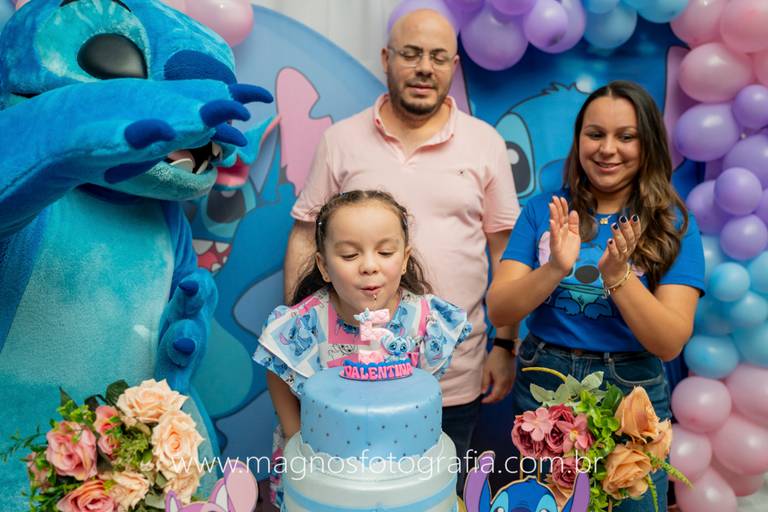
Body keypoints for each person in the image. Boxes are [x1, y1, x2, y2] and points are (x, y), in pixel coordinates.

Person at [283, 9, 520, 489]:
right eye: (411, 54)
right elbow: (307, 235)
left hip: (454, 374)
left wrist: (505, 344)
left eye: (438, 57)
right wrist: (300, 332)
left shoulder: (485, 143)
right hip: (346, 374)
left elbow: (505, 253)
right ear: (386, 58)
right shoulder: (340, 140)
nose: (424, 68)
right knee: (348, 494)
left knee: (436, 494)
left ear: (453, 65)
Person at [486, 80, 705, 511]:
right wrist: (554, 268)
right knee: (551, 503)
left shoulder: (671, 223)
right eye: (595, 134)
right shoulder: (545, 210)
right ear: (579, 139)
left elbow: (669, 341)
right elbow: (500, 308)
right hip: (546, 383)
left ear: (648, 144)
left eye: (626, 137)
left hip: (632, 393)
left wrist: (619, 277)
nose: (607, 149)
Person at [255, 190, 471, 507]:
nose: (369, 266)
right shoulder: (308, 321)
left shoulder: (425, 319)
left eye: (385, 252)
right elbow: (278, 370)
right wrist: (295, 434)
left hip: (403, 475)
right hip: (323, 472)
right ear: (323, 265)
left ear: (404, 259)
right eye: (349, 255)